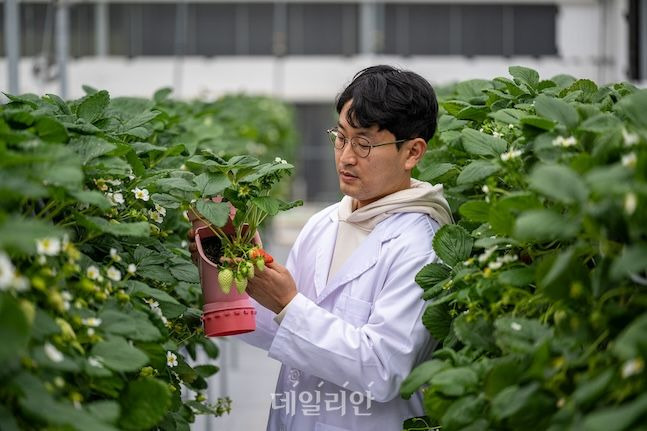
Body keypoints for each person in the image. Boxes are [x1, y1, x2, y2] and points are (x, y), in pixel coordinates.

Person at [190, 65, 453, 431]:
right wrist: (228, 273)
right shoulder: (325, 223)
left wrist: (287, 304)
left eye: (364, 144)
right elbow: (282, 329)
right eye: (340, 137)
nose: (346, 156)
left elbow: (385, 369)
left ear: (412, 152)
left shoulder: (421, 245)